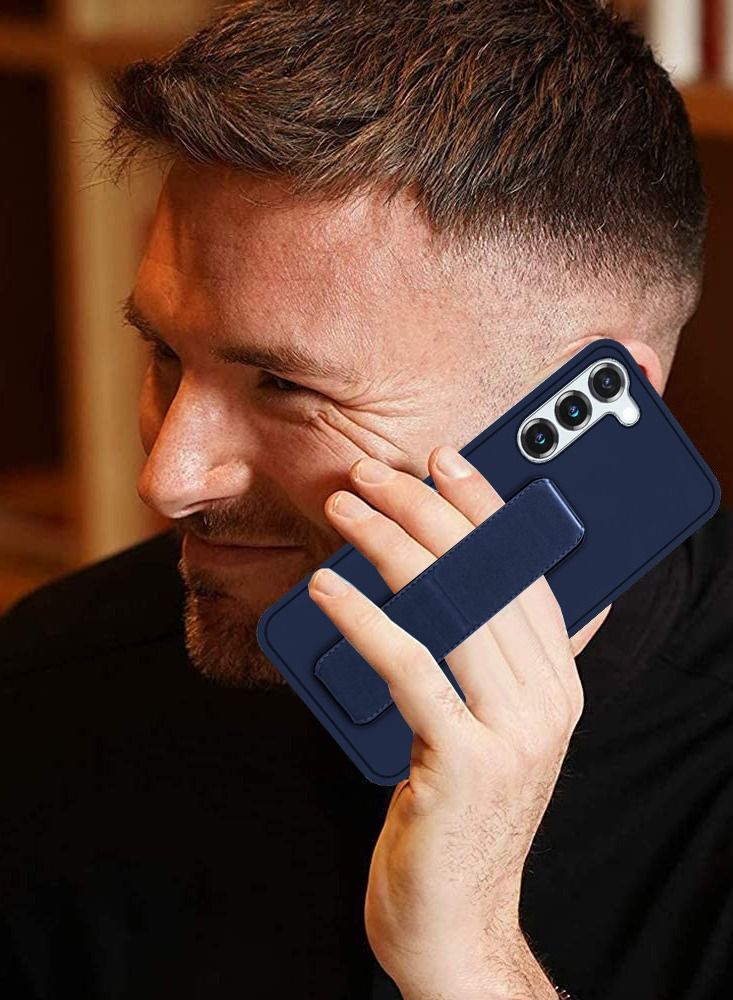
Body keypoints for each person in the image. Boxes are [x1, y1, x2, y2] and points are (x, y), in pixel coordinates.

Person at [2, 1, 731, 997]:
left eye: (285, 386)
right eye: (164, 354)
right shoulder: (46, 697)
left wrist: (470, 963)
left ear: (582, 405)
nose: (166, 477)